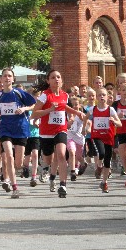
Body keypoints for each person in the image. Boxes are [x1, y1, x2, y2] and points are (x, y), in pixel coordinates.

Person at [31, 70, 86, 198]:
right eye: (53, 77)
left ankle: (62, 185)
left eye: (58, 77)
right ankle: (47, 169)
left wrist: (77, 112)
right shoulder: (45, 96)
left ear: (61, 80)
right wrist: (50, 109)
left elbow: (64, 107)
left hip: (61, 129)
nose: (56, 79)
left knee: (61, 154)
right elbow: (34, 113)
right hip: (46, 132)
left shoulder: (64, 95)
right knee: (49, 159)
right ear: (48, 81)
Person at [0, 68, 37, 198]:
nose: (7, 78)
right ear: (1, 79)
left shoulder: (19, 93)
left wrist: (24, 108)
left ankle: (21, 168)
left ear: (13, 79)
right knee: (8, 156)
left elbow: (34, 105)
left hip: (20, 129)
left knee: (18, 163)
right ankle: (14, 187)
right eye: (4, 76)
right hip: (5, 129)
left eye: (9, 76)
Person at [87, 87, 122, 193]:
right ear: (96, 97)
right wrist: (86, 127)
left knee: (107, 161)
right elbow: (85, 118)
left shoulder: (111, 110)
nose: (102, 97)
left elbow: (119, 124)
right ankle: (99, 166)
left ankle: (104, 182)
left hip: (108, 137)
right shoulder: (92, 109)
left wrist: (114, 121)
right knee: (101, 153)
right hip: (97, 136)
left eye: (104, 95)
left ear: (107, 97)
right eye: (99, 95)